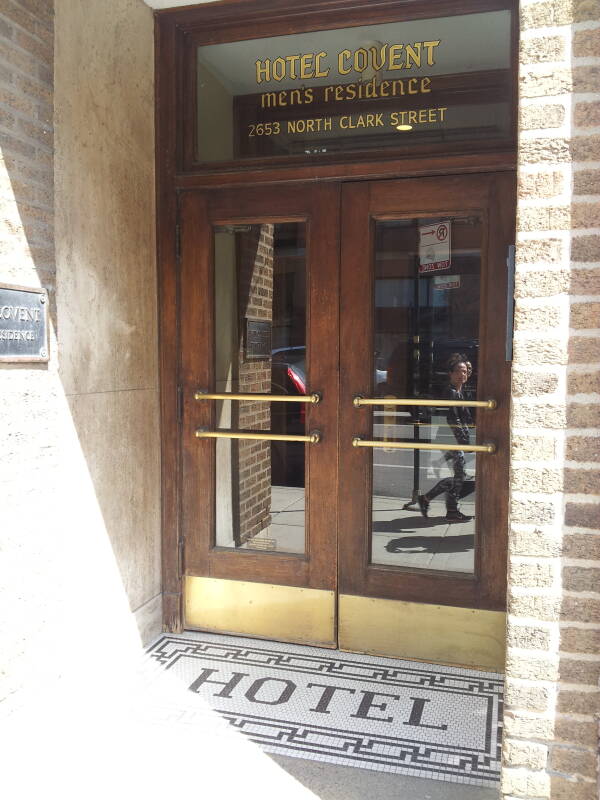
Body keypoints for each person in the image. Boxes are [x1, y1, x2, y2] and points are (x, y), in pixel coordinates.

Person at [418, 356, 474, 523]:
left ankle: (428, 499)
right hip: (450, 439)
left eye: (464, 371)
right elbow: (452, 419)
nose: (461, 374)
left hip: (452, 439)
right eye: (457, 371)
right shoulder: (450, 392)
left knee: (459, 475)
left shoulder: (459, 391)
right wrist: (462, 439)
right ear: (450, 374)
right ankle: (450, 510)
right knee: (460, 476)